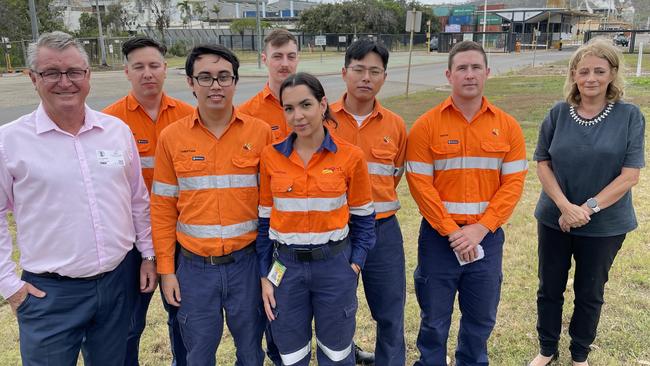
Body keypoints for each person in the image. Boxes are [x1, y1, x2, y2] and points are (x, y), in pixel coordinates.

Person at [0, 31, 156, 365]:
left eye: (74, 72)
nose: (65, 82)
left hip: (117, 283)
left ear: (87, 76)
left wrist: (148, 255)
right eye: (51, 73)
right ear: (33, 78)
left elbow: (137, 199)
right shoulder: (10, 141)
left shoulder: (116, 132)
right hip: (50, 294)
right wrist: (9, 285)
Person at [239, 28, 377, 365]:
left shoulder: (350, 156)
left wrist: (353, 265)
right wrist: (265, 274)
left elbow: (364, 219)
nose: (297, 115)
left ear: (323, 104)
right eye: (289, 109)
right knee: (292, 354)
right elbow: (264, 224)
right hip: (285, 268)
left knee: (336, 353)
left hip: (335, 266)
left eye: (305, 105)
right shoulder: (271, 157)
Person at [406, 40, 528, 366]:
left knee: (481, 319)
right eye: (462, 68)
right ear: (449, 74)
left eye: (476, 67)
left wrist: (480, 229)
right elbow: (420, 186)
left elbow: (512, 185)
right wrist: (451, 231)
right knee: (434, 319)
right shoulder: (425, 127)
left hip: (486, 238)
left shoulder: (508, 128)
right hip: (438, 240)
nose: (469, 74)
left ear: (487, 72)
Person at [151, 44, 270, 366]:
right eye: (205, 77)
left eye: (223, 77)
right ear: (190, 82)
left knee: (250, 351)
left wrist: (268, 267)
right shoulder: (172, 138)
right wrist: (166, 271)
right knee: (198, 353)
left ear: (235, 81)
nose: (215, 85)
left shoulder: (260, 134)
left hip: (245, 264)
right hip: (193, 269)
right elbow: (162, 208)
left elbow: (272, 205)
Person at [528, 38, 644, 366]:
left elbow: (629, 176)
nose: (590, 78)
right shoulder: (557, 113)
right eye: (583, 71)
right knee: (548, 286)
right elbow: (542, 163)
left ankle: (579, 354)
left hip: (605, 224)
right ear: (574, 75)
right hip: (554, 218)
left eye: (599, 71)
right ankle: (547, 349)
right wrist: (565, 207)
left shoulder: (629, 116)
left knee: (590, 292)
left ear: (612, 74)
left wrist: (586, 209)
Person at [103, 35, 194, 366]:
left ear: (166, 69)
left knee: (183, 317)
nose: (147, 73)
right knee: (128, 324)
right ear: (126, 71)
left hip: (180, 238)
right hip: (130, 242)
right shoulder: (109, 123)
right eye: (138, 67)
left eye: (154, 65)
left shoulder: (189, 117)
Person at [329, 38, 407, 366]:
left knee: (390, 312)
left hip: (382, 230)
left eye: (375, 71)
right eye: (359, 69)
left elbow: (395, 174)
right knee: (336, 309)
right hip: (334, 231)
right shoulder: (322, 121)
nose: (366, 78)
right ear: (344, 72)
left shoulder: (396, 126)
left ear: (384, 78)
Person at [238, 28, 298, 143]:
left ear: (297, 59)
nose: (285, 64)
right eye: (277, 56)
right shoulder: (246, 114)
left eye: (291, 56)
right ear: (264, 60)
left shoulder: (314, 109)